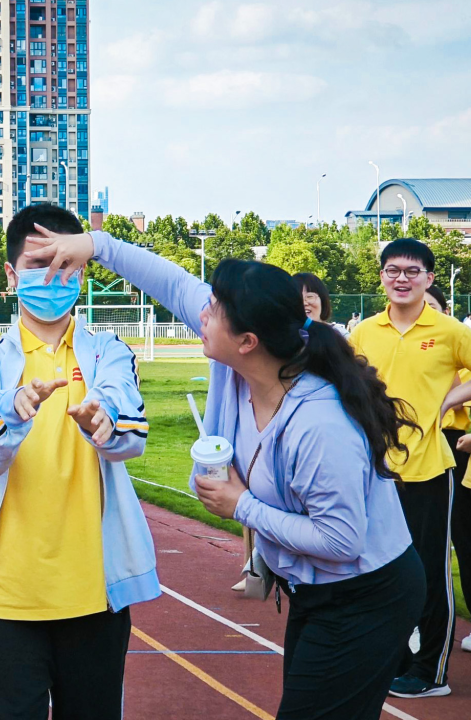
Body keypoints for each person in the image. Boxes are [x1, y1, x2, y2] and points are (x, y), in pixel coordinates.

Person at [26, 229, 426, 719]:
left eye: (214, 310)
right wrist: (96, 245)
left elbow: (341, 539)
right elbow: (173, 283)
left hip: (368, 594)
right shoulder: (244, 364)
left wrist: (241, 506)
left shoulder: (319, 423)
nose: (202, 315)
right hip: (313, 591)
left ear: (248, 341)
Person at [0, 205, 157, 720]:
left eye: (66, 265)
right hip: (6, 599)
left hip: (94, 595)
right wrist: (11, 408)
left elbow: (129, 427)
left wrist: (102, 420)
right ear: (11, 274)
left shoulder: (107, 353)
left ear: (82, 272)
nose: (53, 278)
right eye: (39, 264)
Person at [347, 238, 471, 698]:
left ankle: (431, 672)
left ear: (429, 278)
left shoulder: (449, 330)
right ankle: (396, 659)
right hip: (375, 470)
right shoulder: (365, 332)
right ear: (381, 276)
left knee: (429, 571)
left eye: (412, 271)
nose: (402, 278)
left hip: (428, 470)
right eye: (393, 270)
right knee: (377, 566)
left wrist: (449, 400)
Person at [427, 285, 471, 656]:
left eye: (431, 307)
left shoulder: (456, 342)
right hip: (421, 446)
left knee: (462, 534)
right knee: (440, 537)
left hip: (458, 444)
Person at [294, 273, 349, 337]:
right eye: (297, 298)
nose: (304, 303)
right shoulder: (284, 336)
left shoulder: (340, 335)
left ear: (322, 300)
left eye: (310, 296)